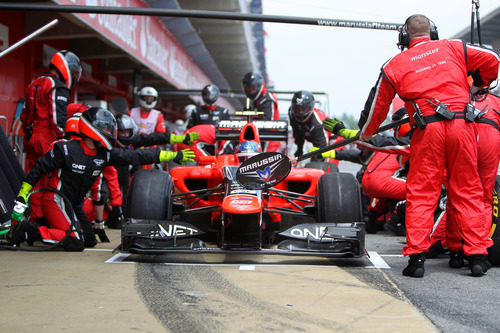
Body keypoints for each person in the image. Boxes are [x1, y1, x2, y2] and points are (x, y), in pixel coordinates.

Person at [356, 14, 499, 277]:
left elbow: (378, 105)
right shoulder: (454, 47)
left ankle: (416, 260)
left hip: (428, 130)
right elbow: (493, 59)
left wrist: (366, 133)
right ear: (432, 32)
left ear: (403, 37)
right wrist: (481, 85)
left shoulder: (394, 65)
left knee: (422, 194)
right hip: (462, 126)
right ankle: (477, 256)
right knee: (468, 190)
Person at [11, 107, 195, 251]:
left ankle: (47, 231)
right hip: (55, 199)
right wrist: (22, 197)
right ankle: (28, 232)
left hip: (74, 204)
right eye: (106, 128)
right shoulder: (64, 149)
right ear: (92, 127)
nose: (110, 131)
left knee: (90, 241)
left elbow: (136, 156)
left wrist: (171, 156)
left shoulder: (104, 154)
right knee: (76, 242)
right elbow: (36, 171)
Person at [21, 50, 82, 172]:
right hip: (46, 138)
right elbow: (58, 120)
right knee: (49, 177)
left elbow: (25, 115)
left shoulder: (34, 83)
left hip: (30, 136)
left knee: (31, 175)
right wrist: (68, 140)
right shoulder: (58, 86)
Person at [242, 72, 281, 152]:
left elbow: (269, 124)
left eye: (253, 89)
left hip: (269, 140)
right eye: (249, 89)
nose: (251, 91)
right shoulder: (256, 101)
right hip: (256, 140)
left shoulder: (268, 99)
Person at [288, 90, 329, 161]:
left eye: (303, 109)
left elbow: (322, 148)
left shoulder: (318, 123)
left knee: (322, 164)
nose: (300, 112)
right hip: (312, 138)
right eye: (297, 109)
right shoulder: (292, 115)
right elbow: (297, 132)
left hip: (332, 140)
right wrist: (299, 149)